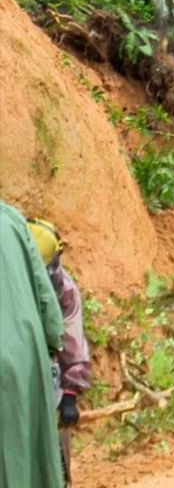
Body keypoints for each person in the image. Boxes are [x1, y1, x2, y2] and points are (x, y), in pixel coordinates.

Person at [0, 201, 66, 488]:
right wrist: (50, 344)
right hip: (24, 356)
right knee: (22, 454)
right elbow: (47, 302)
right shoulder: (11, 219)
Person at [27, 219, 92, 485]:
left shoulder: (64, 289)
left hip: (49, 381)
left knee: (54, 457)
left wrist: (70, 395)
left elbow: (72, 339)